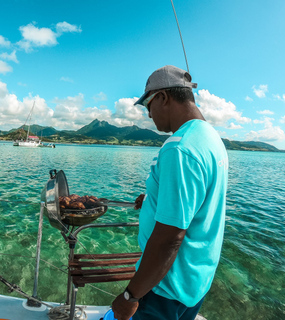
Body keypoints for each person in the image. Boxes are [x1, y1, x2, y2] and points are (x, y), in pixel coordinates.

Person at [111, 65, 228, 320]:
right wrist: (156, 199)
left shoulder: (180, 148)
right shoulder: (210, 138)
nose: (149, 115)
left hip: (165, 289)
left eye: (148, 105)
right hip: (194, 281)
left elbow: (169, 238)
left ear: (163, 97)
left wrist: (131, 295)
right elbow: (197, 201)